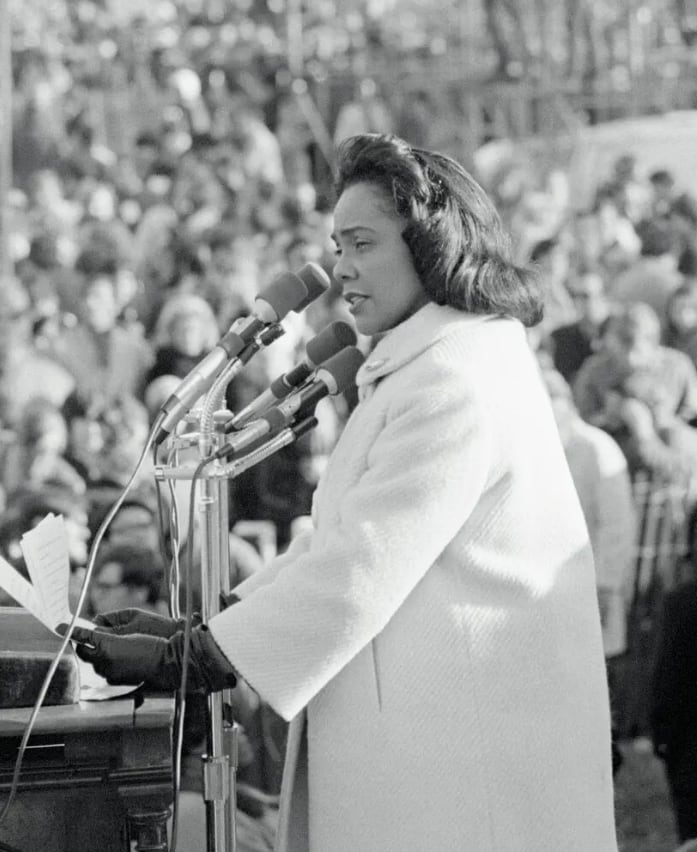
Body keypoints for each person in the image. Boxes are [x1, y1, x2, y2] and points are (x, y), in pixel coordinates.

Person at [68, 133, 618, 851]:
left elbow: (362, 564)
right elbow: (337, 542)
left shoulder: (456, 378)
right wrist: (208, 627)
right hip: (435, 743)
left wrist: (198, 658)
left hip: (465, 766)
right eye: (336, 245)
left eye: (361, 244)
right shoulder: (429, 360)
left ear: (429, 244)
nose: (341, 269)